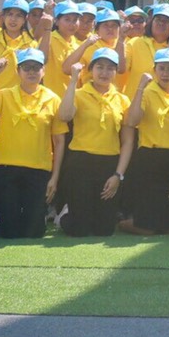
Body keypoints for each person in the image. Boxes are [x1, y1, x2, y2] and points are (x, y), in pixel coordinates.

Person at [0, 48, 66, 239]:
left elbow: (59, 141)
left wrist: (54, 177)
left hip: (39, 169)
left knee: (34, 231)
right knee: (9, 231)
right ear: (18, 71)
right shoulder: (4, 95)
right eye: (26, 67)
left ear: (43, 71)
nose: (31, 72)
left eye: (36, 67)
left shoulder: (53, 99)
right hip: (7, 167)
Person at [56, 47, 129, 238]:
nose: (104, 73)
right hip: (81, 162)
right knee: (79, 230)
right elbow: (64, 116)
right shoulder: (79, 94)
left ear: (116, 72)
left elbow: (127, 141)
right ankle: (66, 214)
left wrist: (118, 175)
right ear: (91, 70)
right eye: (100, 67)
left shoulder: (122, 100)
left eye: (110, 68)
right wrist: (73, 81)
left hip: (109, 163)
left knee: (104, 230)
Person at [120, 47, 169, 235]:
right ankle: (125, 223)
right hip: (149, 158)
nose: (166, 73)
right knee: (147, 229)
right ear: (154, 70)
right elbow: (132, 121)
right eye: (162, 68)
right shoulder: (146, 93)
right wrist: (140, 87)